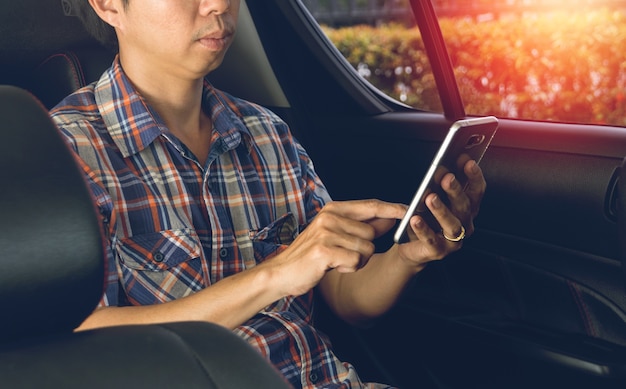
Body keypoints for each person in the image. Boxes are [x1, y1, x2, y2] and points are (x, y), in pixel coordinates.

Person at [50, 0, 486, 388]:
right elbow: (81, 343)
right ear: (108, 6)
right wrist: (273, 275)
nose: (219, 5)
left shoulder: (266, 134)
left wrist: (407, 257)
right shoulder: (63, 152)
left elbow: (343, 295)